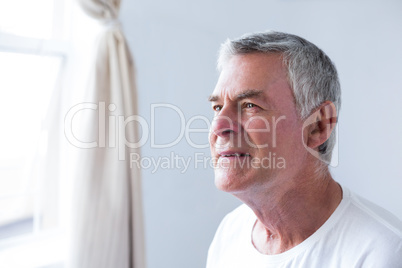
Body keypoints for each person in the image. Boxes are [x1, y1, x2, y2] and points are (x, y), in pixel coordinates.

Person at [206, 31, 402, 268]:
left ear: (318, 126)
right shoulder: (230, 234)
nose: (218, 126)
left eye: (250, 106)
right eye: (217, 107)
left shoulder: (381, 253)